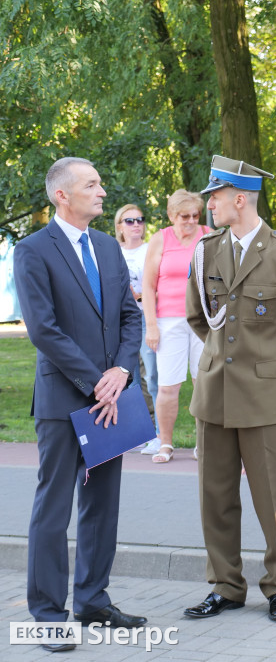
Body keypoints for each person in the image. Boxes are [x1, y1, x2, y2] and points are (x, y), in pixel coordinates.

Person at [182, 156, 276, 622]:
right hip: (216, 392)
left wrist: (271, 364)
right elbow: (198, 318)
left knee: (273, 498)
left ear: (238, 199)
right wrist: (230, 356)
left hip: (266, 394)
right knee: (215, 496)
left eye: (215, 197)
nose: (210, 205)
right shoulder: (206, 251)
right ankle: (225, 585)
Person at [14, 158, 146, 648]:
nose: (102, 191)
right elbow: (43, 330)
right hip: (65, 399)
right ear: (62, 195)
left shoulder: (110, 248)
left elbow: (131, 318)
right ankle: (48, 614)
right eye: (91, 185)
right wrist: (98, 382)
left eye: (100, 183)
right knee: (53, 509)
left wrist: (122, 372)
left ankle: (92, 600)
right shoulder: (32, 251)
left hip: (110, 399)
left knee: (102, 505)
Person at [142, 189, 211, 463]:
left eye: (195, 215)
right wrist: (151, 326)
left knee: (203, 383)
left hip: (203, 320)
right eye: (184, 216)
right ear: (171, 215)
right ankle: (165, 443)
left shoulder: (209, 235)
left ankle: (203, 444)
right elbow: (148, 286)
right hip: (168, 320)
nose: (191, 221)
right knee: (168, 386)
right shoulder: (160, 240)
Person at [114, 203, 161, 454]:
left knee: (152, 376)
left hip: (145, 318)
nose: (136, 225)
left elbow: (157, 285)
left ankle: (160, 434)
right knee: (127, 378)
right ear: (120, 226)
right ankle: (140, 432)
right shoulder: (112, 251)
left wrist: (140, 296)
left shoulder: (149, 250)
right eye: (130, 221)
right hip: (119, 321)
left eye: (140, 220)